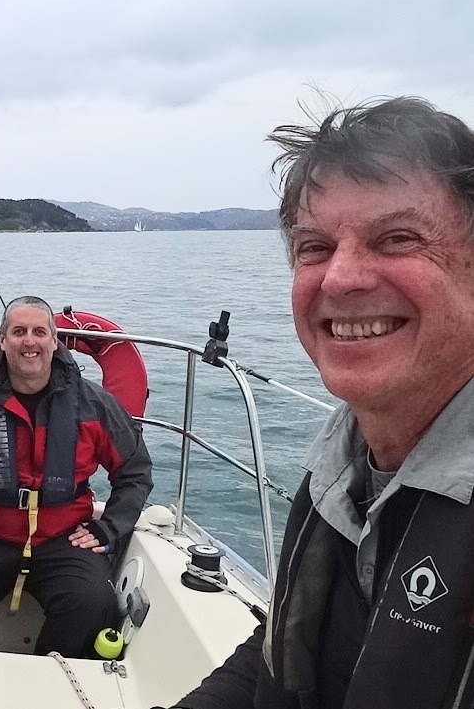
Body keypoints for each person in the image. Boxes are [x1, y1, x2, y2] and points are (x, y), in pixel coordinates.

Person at [170, 97, 474, 709]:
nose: (339, 278)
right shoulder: (346, 462)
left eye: (397, 238)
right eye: (314, 248)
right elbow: (289, 649)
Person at [0, 295, 152, 709]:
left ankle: (37, 698)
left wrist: (108, 528)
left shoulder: (93, 404)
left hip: (62, 536)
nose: (29, 341)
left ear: (55, 341)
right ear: (2, 341)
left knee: (93, 606)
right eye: (18, 332)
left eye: (39, 332)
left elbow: (135, 472)